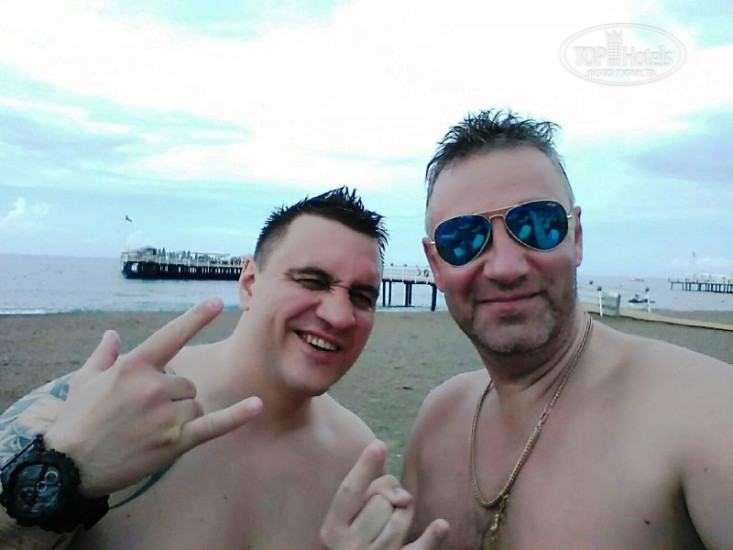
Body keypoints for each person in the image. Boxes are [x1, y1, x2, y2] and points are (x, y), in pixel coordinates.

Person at [321, 110, 733, 549]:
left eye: (537, 226)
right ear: (436, 265)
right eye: (463, 239)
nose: (505, 267)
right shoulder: (438, 423)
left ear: (576, 237)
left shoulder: (701, 411)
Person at [0, 187, 442, 549]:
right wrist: (68, 467)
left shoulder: (356, 457)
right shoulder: (102, 407)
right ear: (249, 283)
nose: (340, 316)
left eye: (361, 297)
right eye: (312, 281)